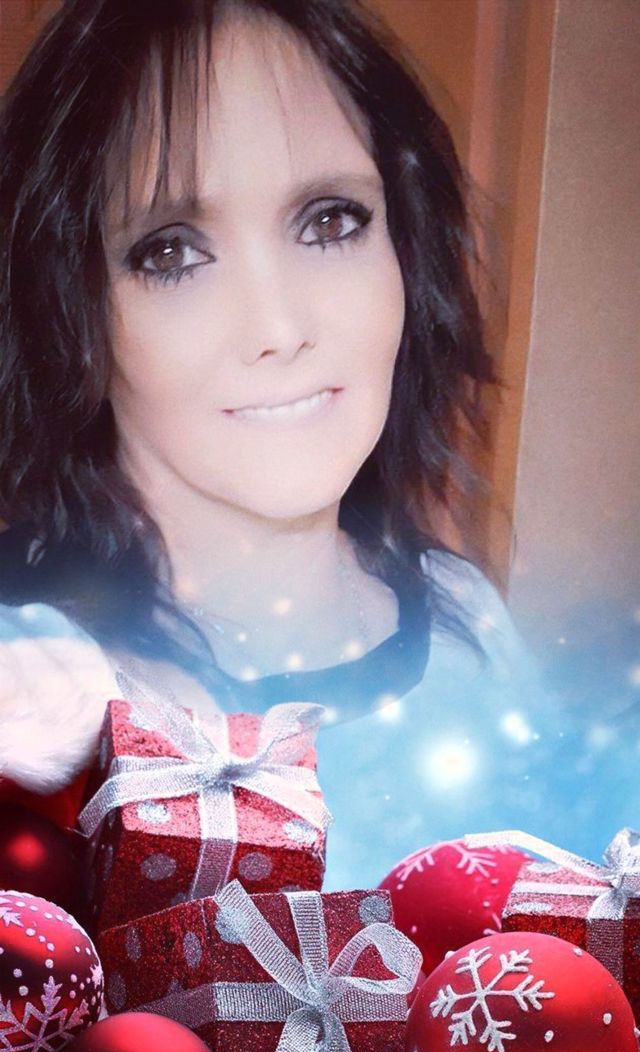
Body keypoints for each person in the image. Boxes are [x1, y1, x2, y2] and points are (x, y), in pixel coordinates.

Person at [0, 0, 586, 903]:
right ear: (64, 309)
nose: (279, 327)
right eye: (170, 252)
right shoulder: (25, 698)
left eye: (330, 221)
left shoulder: (467, 623)